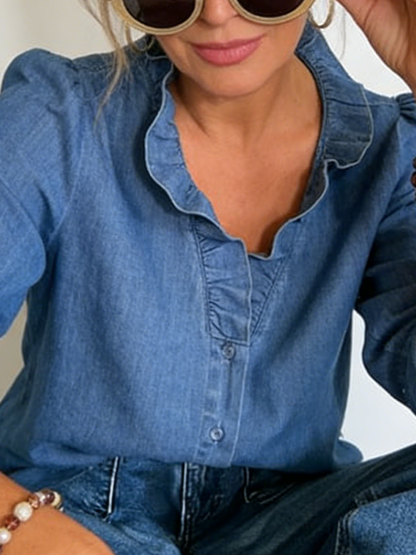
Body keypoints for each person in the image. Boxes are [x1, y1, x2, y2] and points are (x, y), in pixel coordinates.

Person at [1, 0, 416, 553]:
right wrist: (17, 523)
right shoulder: (58, 114)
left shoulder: (392, 150)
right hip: (68, 513)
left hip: (294, 524)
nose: (217, 14)